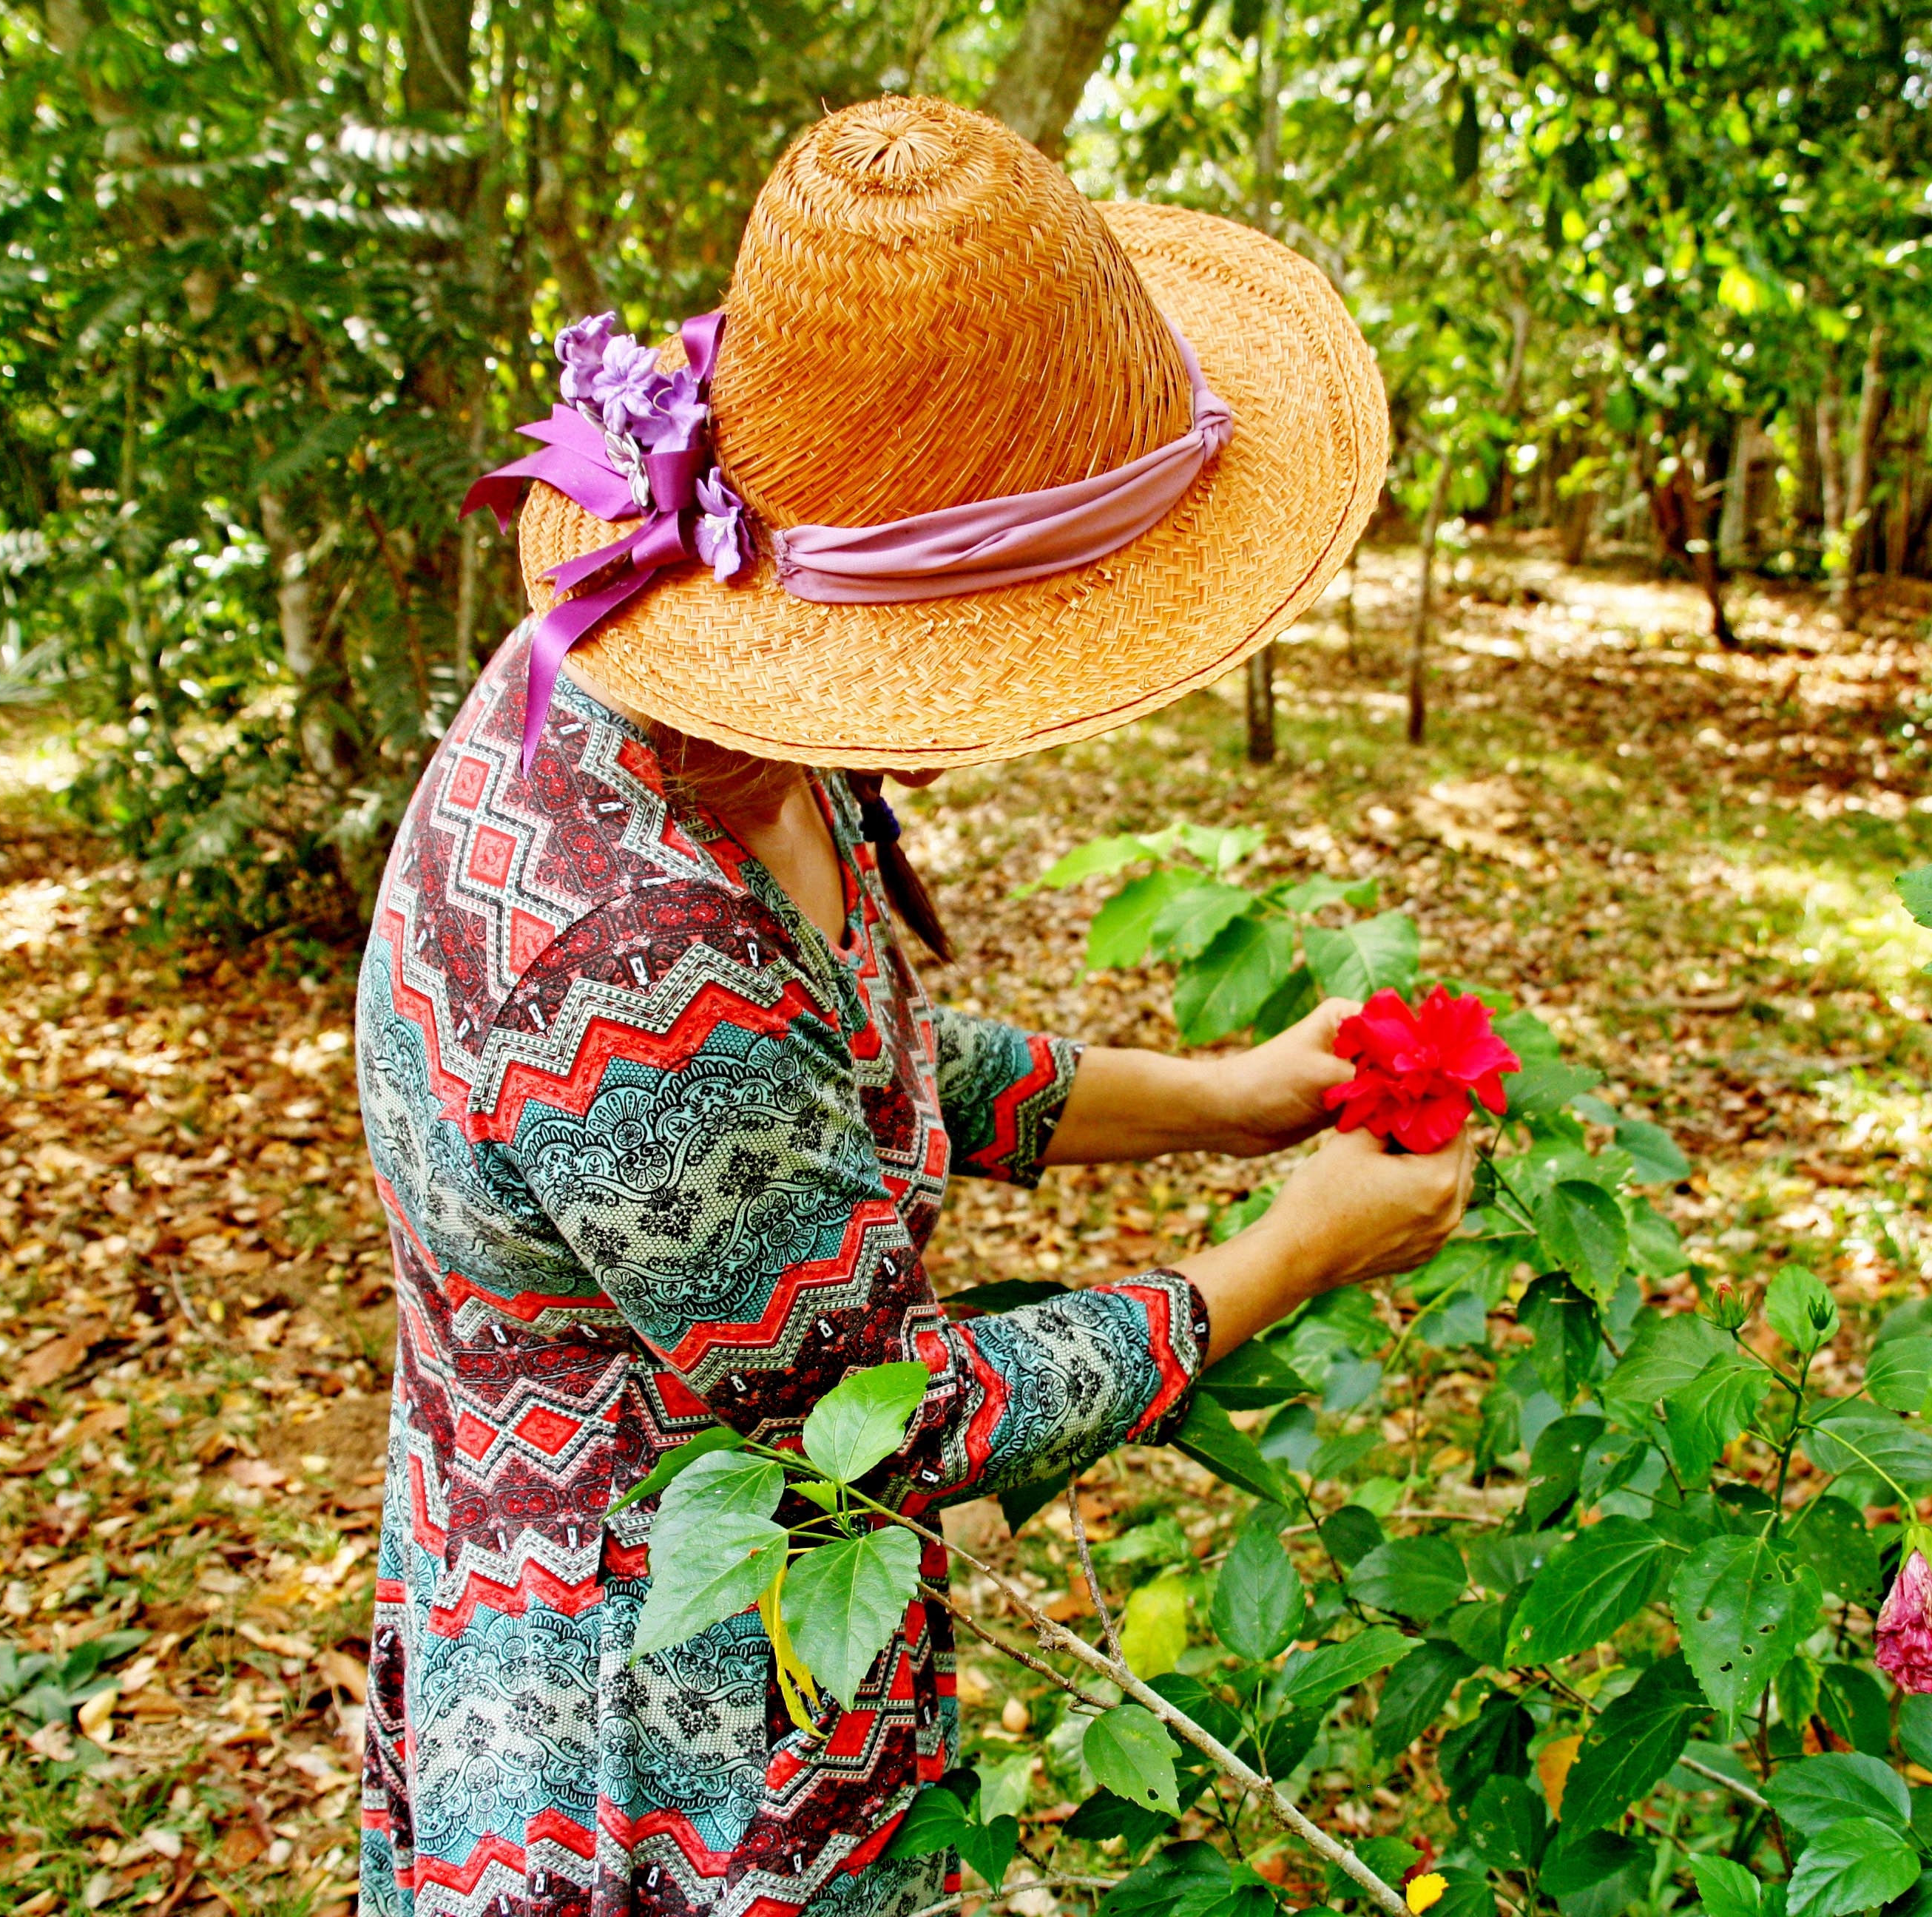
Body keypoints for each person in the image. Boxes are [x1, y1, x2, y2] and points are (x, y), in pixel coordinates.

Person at [352, 94, 1467, 1917]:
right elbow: (874, 1411)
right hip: (649, 1705)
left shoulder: (709, 707)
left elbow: (849, 1074)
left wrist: (1228, 1093)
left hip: (781, 1621)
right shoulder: (614, 948)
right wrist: (1290, 1257)